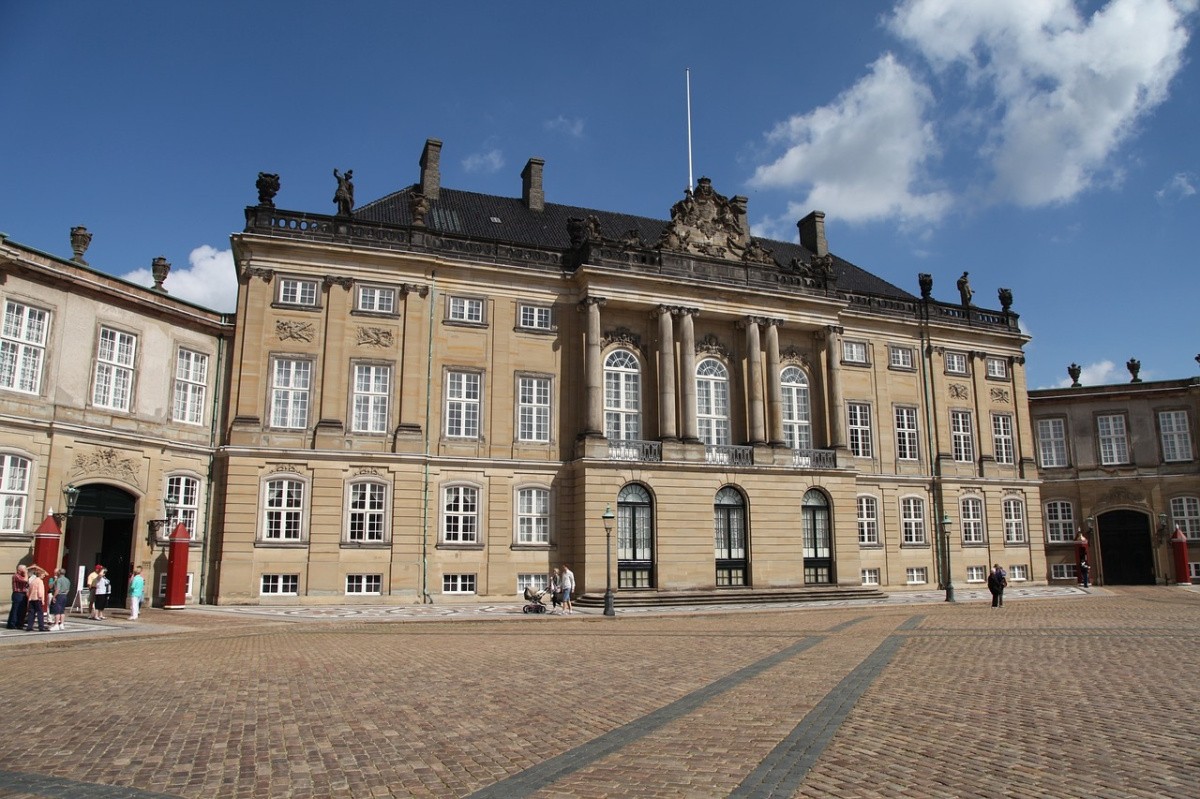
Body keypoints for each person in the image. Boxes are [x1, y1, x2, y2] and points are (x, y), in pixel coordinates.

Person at [24, 566, 49, 632]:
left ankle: (29, 627)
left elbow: (29, 591)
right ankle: (41, 626)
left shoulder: (32, 581)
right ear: (40, 575)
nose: (44, 576)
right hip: (38, 599)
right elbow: (40, 591)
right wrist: (42, 599)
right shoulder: (40, 581)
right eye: (43, 574)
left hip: (31, 599)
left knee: (31, 613)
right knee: (40, 613)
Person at [6, 564, 28, 629]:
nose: (26, 570)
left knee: (22, 610)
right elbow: (25, 580)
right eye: (24, 569)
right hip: (17, 594)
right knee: (16, 609)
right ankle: (12, 624)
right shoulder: (16, 576)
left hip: (23, 594)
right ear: (19, 570)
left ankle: (19, 623)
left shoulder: (23, 575)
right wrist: (26, 573)